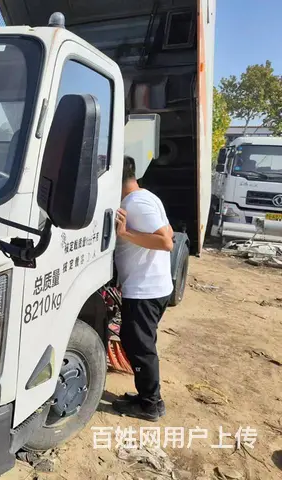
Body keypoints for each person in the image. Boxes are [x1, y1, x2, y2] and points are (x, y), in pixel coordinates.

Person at [112, 155, 174, 422]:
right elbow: (169, 231)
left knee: (139, 347)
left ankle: (150, 404)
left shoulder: (136, 203)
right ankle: (147, 397)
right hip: (153, 286)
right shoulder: (147, 197)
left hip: (145, 289)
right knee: (142, 344)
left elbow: (166, 241)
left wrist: (124, 234)